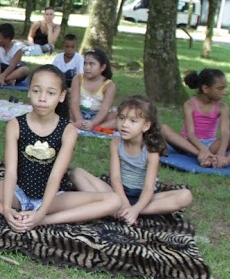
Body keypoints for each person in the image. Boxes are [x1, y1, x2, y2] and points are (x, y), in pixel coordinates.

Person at [0, 65, 119, 231]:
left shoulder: (68, 130)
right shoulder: (16, 124)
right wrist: (6, 208)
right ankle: (8, 212)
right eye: (37, 91)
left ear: (61, 96)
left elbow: (55, 176)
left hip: (53, 199)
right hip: (17, 194)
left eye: (50, 93)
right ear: (29, 91)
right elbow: (11, 172)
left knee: (114, 200)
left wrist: (42, 213)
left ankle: (46, 221)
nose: (42, 98)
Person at [71, 95, 193, 224]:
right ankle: (119, 209)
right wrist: (123, 201)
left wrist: (135, 209)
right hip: (118, 193)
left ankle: (124, 212)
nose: (124, 125)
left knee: (185, 196)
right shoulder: (116, 143)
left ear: (146, 126)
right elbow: (116, 178)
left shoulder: (151, 151)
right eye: (122, 118)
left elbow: (148, 187)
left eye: (133, 121)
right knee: (76, 173)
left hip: (144, 197)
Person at [162, 67, 230, 168]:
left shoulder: (222, 107)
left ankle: (225, 161)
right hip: (188, 144)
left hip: (211, 144)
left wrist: (221, 152)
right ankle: (204, 155)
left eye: (224, 88)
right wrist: (203, 150)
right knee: (164, 129)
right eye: (220, 88)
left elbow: (225, 132)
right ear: (206, 88)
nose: (224, 92)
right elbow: (190, 134)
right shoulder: (190, 104)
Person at [72, 49, 116, 131]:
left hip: (99, 116)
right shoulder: (78, 78)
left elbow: (105, 108)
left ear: (102, 67)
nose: (87, 67)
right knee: (62, 113)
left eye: (91, 64)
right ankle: (79, 124)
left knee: (117, 117)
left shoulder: (109, 85)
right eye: (85, 64)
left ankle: (96, 127)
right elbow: (74, 101)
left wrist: (94, 122)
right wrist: (79, 118)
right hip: (78, 113)